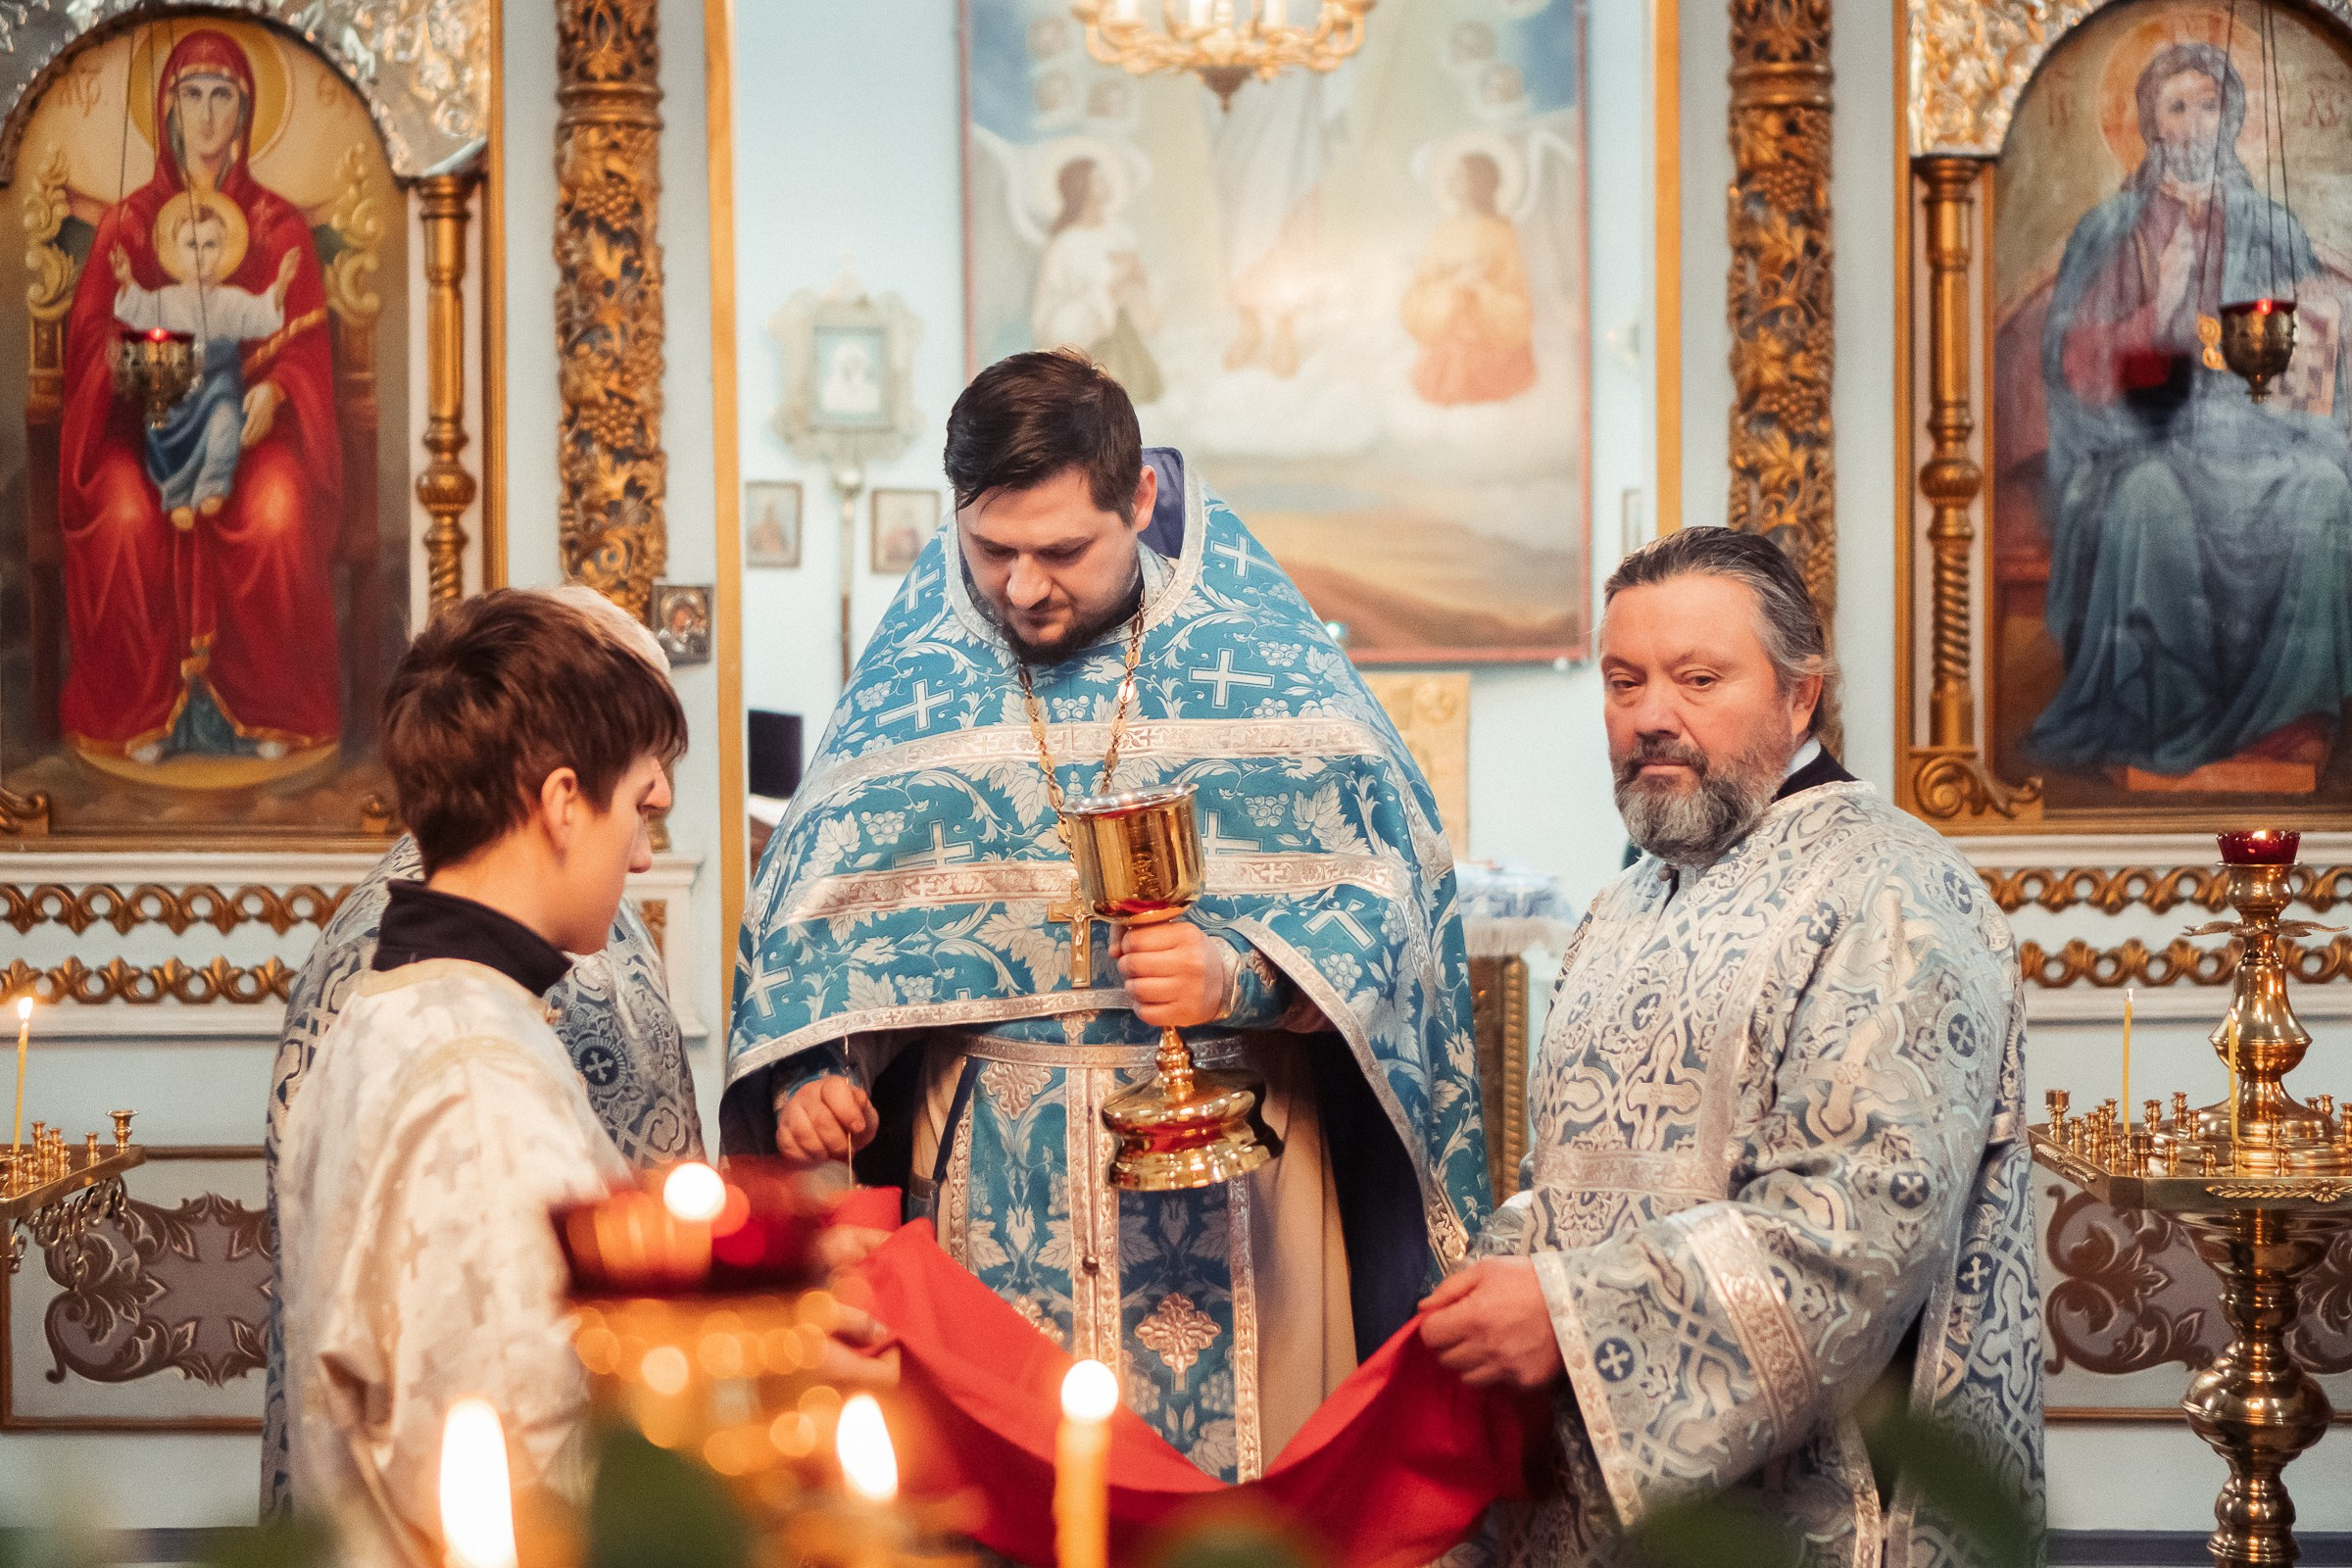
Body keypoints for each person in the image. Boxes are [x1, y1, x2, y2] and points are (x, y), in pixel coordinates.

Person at [725, 349, 1490, 1480]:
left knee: (1235, 1519)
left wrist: (1243, 973)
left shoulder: (1259, 661)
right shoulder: (915, 682)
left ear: (1141, 499)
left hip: (1245, 1182)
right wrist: (817, 1077)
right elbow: (833, 924)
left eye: (1063, 551)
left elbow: (1390, 907)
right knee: (1008, 1500)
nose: (1024, 588)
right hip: (996, 1184)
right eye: (991, 551)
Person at [1419, 527, 2042, 1564]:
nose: (1651, 716)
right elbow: (1565, 1183)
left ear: (1801, 695)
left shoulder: (1894, 893)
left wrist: (1569, 1315)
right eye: (1624, 683)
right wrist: (1495, 1283)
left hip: (1822, 1512)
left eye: (1699, 678)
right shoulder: (1623, 907)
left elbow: (1855, 1234)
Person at [258, 584, 704, 1518]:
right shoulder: (476, 1086)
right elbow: (527, 1460)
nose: (643, 860)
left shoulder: (398, 1008)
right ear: (563, 803)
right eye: (638, 811)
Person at [2032, 41, 2352, 778]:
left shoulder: (2272, 227)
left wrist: (2324, 317)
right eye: (2179, 106)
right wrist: (2158, 310)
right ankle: (2159, 724)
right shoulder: (2113, 231)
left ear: (2233, 117)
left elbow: (2308, 364)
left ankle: (2291, 725)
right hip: (2145, 442)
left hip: (2259, 439)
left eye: (2211, 105)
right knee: (2147, 501)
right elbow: (2076, 368)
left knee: (2326, 492)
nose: (2199, 123)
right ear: (2151, 125)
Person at [60, 28, 343, 772]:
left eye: (224, 96)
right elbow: (93, 343)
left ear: (246, 111)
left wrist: (278, 391)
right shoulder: (128, 223)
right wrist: (152, 381)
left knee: (279, 510)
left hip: (249, 431)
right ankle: (139, 715)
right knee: (124, 513)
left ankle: (265, 711)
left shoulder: (279, 228)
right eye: (193, 95)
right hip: (142, 425)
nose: (209, 115)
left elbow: (305, 343)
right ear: (167, 109)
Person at [110, 207, 300, 530]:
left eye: (210, 246)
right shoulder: (165, 299)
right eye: (191, 246)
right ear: (175, 251)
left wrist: (280, 285)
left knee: (226, 422)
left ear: (224, 250)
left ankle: (212, 485)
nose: (201, 256)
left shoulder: (233, 300)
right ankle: (177, 496)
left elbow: (261, 316)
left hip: (219, 385)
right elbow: (138, 309)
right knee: (159, 426)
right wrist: (127, 279)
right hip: (177, 385)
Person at [1400, 150, 1538, 408]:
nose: (1452, 184)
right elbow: (1421, 287)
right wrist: (1452, 285)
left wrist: (1479, 287)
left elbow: (1515, 295)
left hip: (1491, 339)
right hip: (1446, 336)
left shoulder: (1502, 233)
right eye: (1450, 178)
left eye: (1460, 177)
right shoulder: (1442, 232)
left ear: (1480, 182)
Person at [1031, 155, 1164, 404]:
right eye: (1098, 179)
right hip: (1087, 338)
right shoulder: (1065, 244)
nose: (1107, 183)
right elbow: (1052, 306)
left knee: (1138, 391)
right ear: (1082, 188)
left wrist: (1133, 274)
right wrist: (1109, 287)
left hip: (1125, 331)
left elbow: (1140, 279)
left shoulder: (1119, 232)